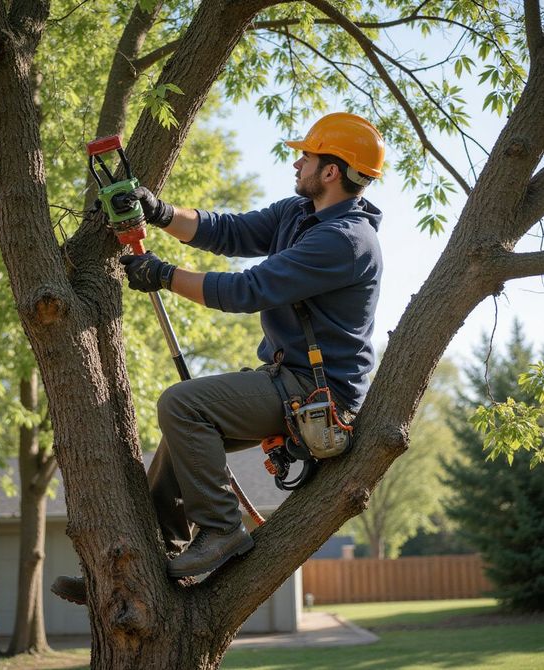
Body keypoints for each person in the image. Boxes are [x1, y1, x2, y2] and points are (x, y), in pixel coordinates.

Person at [51, 112, 385, 603]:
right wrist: (159, 210)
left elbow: (247, 289)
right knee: (177, 446)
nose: (297, 164)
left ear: (332, 171)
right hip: (286, 379)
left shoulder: (345, 241)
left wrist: (164, 275)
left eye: (307, 156)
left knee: (184, 405)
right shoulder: (298, 214)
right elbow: (228, 232)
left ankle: (222, 530)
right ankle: (145, 566)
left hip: (317, 393)